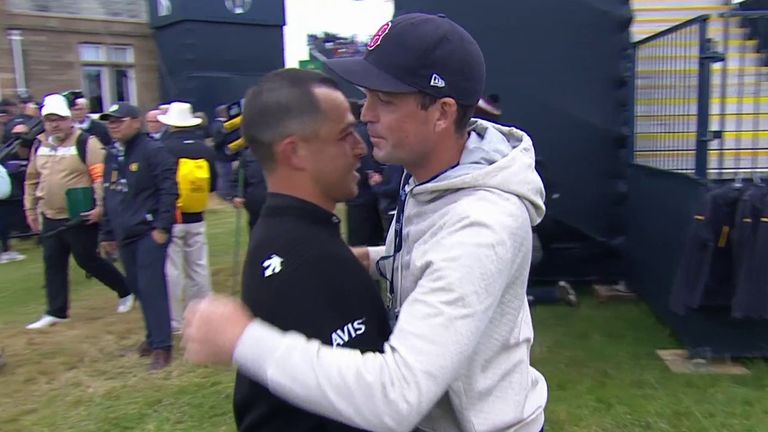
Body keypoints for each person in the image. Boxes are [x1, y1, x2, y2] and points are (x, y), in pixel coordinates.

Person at [184, 13, 548, 432]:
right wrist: (377, 258)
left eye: (386, 100)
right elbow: (436, 255)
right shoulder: (434, 175)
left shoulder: (482, 224)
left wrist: (242, 339)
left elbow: (396, 396)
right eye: (367, 96)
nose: (366, 113)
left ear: (442, 113)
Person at [237, 68, 392, 431]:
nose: (360, 147)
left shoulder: (309, 239)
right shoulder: (299, 261)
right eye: (344, 135)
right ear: (295, 152)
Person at [24, 94, 133, 330]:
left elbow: (99, 176)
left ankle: (124, 289)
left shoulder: (86, 142)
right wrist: (30, 208)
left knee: (88, 260)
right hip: (50, 214)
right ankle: (57, 311)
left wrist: (100, 207)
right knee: (52, 261)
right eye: (49, 120)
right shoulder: (39, 144)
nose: (54, 124)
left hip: (79, 214)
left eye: (59, 119)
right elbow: (31, 179)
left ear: (68, 119)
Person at [99, 102, 177, 371]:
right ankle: (152, 335)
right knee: (138, 285)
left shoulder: (153, 151)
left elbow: (169, 190)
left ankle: (162, 346)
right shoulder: (112, 154)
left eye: (119, 120)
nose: (114, 125)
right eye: (110, 121)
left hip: (148, 231)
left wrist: (162, 227)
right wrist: (107, 231)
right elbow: (110, 193)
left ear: (136, 122)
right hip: (124, 231)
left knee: (151, 285)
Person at [157, 101, 218, 334]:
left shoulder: (163, 147)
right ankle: (204, 314)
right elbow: (212, 185)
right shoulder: (205, 149)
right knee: (199, 267)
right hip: (197, 215)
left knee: (172, 270)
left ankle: (175, 321)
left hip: (172, 215)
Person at [231, 148, 267, 234]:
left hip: (279, 200)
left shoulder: (282, 152)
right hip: (256, 201)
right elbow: (239, 178)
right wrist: (238, 195)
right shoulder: (248, 155)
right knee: (257, 231)